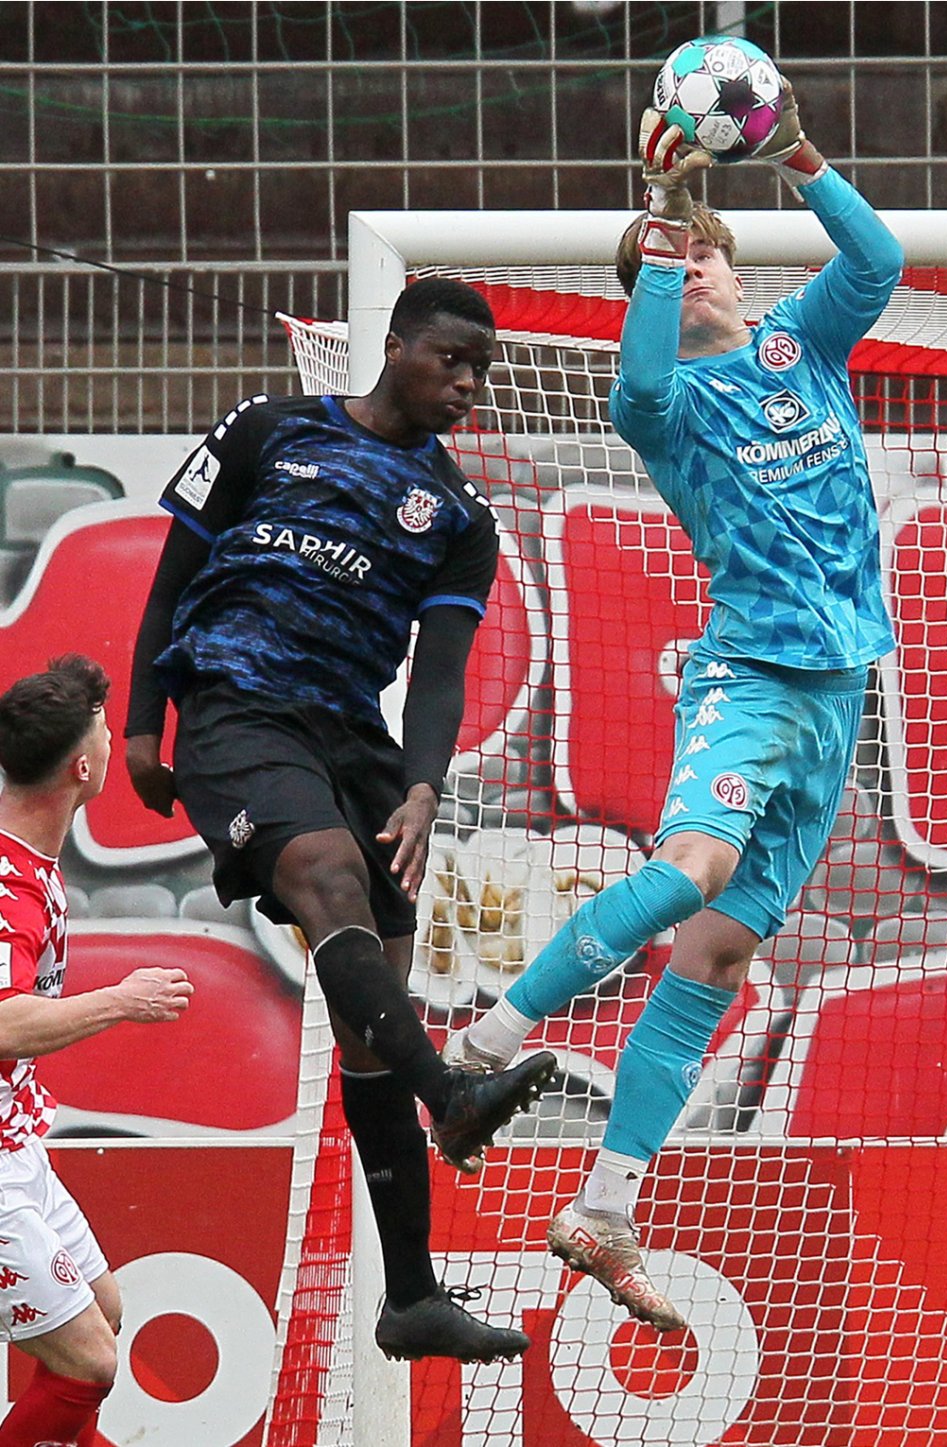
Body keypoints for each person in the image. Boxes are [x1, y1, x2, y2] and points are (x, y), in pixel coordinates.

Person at [445, 79, 904, 1332]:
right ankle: (489, 1040)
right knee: (689, 868)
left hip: (836, 700)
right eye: (673, 257)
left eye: (708, 249)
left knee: (718, 952)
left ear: (740, 272)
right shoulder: (668, 403)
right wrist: (653, 235)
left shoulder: (798, 346)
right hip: (749, 678)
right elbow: (635, 386)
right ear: (650, 278)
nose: (696, 262)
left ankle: (603, 1202)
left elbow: (879, 255)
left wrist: (797, 151)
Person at [124, 277, 557, 1366]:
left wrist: (422, 782)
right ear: (396, 344)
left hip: (355, 741)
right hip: (233, 703)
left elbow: (444, 678)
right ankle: (450, 1091)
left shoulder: (459, 520)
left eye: (481, 372)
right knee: (324, 876)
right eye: (450, 359)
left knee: (376, 1012)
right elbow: (173, 575)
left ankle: (409, 1295)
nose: (466, 384)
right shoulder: (267, 429)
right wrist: (140, 727)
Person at [0, 655, 194, 1447]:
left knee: (104, 1314)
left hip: (16, 1144)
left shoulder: (31, 862)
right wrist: (126, 1000)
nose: (117, 742)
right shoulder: (7, 883)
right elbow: (4, 1023)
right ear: (84, 766)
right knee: (87, 1364)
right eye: (108, 732)